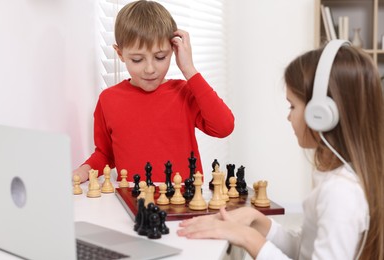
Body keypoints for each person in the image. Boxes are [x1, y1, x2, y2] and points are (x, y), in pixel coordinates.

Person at [177, 41, 384, 259]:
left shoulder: (340, 193)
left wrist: (248, 238)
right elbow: (304, 250)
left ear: (322, 113)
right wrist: (257, 220)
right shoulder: (340, 180)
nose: (288, 116)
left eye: (292, 106)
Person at [72, 0, 234, 183]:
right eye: (137, 59)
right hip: (134, 205)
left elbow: (224, 127)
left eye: (160, 57)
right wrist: (85, 170)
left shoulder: (185, 92)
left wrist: (189, 69)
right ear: (120, 53)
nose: (150, 69)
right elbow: (105, 154)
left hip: (182, 205)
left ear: (174, 50)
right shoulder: (108, 99)